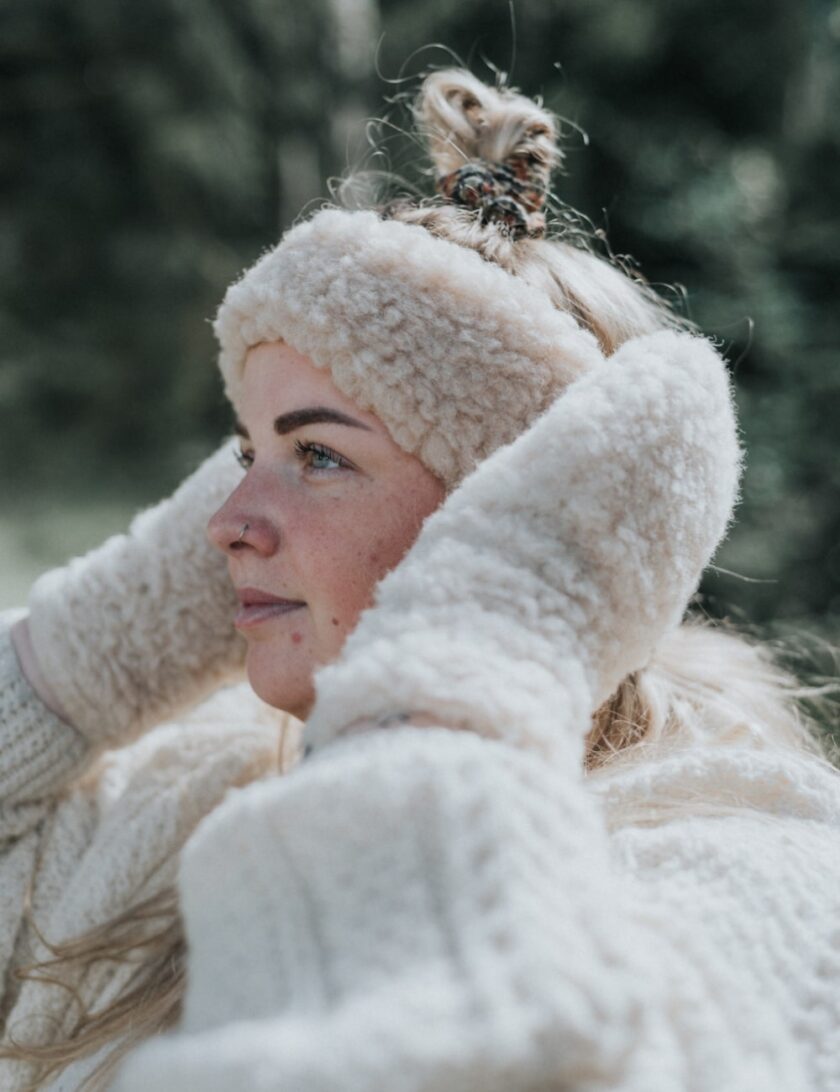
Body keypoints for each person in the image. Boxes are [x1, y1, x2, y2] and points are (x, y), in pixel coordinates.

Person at [1, 68, 838, 1092]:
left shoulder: (752, 880)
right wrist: (106, 641)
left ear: (512, 512)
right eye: (243, 451)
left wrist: (470, 653)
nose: (218, 527)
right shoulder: (194, 800)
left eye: (318, 456)